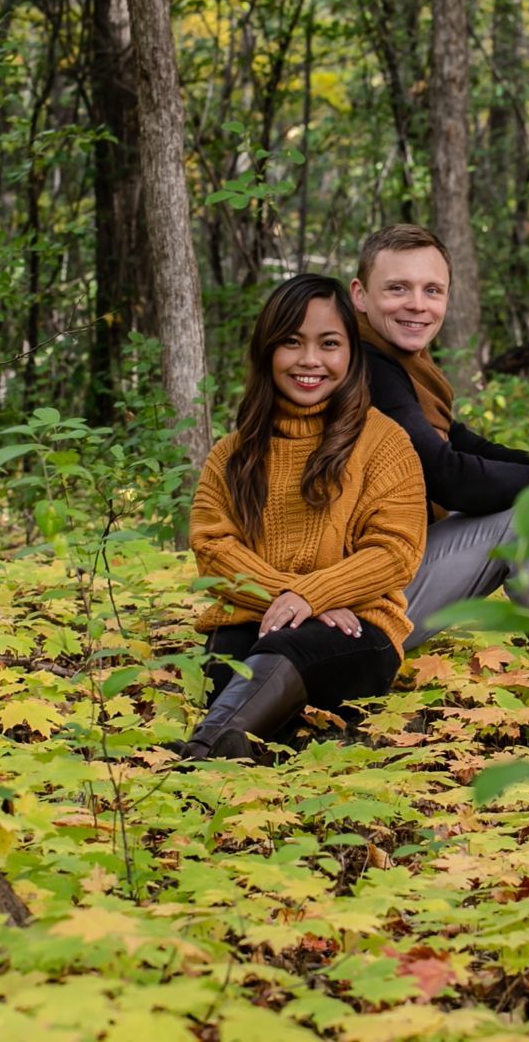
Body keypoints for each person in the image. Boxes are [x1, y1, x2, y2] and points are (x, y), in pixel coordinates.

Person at [350, 224, 529, 686]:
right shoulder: (366, 366)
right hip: (355, 606)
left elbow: (467, 445)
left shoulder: (401, 365)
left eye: (432, 290)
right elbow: (448, 477)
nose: (417, 304)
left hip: (381, 583)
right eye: (397, 288)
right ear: (360, 295)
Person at [179, 274, 428, 761]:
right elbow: (212, 548)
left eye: (329, 343)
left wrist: (312, 596)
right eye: (292, 342)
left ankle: (199, 755)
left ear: (351, 354)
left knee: (286, 655)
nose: (310, 360)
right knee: (237, 670)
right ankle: (249, 755)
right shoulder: (233, 454)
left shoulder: (385, 441)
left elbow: (396, 552)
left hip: (356, 630)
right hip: (252, 620)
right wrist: (291, 598)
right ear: (267, 351)